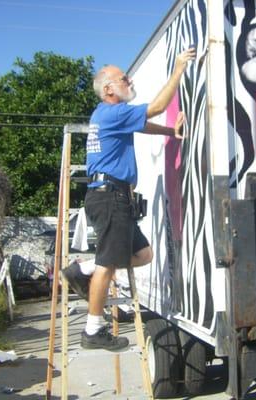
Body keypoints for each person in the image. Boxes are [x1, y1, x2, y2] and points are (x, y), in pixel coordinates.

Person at [63, 47, 196, 352]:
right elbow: (157, 107)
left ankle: (83, 270)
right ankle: (93, 330)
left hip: (112, 196)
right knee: (107, 265)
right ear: (109, 89)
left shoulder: (110, 115)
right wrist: (178, 69)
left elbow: (145, 123)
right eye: (123, 78)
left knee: (145, 254)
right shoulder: (113, 112)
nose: (129, 80)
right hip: (110, 197)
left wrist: (170, 133)